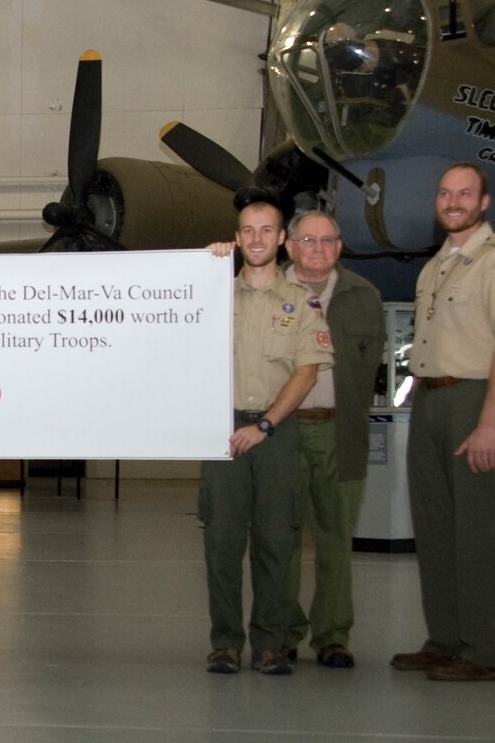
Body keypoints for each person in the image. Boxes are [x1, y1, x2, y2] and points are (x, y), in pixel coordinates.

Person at [392, 163, 495, 682]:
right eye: (445, 192)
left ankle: (488, 651)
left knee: (480, 532)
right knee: (435, 529)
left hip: (476, 401)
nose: (453, 201)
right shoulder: (436, 267)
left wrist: (489, 424)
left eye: (465, 193)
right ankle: (446, 639)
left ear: (484, 202)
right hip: (430, 402)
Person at [203, 190, 332, 676]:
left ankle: (271, 643)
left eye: (266, 230)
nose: (256, 239)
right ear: (237, 239)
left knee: (278, 541)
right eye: (247, 231)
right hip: (220, 432)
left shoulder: (302, 304)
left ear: (282, 239)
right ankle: (225, 643)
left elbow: (307, 372)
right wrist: (201, 265)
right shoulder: (210, 292)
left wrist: (264, 425)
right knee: (221, 543)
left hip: (274, 433)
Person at [279, 210, 387, 668]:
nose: (318, 249)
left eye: (327, 240)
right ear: (289, 245)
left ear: (339, 247)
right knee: (278, 537)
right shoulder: (264, 293)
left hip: (341, 432)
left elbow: (368, 368)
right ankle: (280, 632)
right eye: (308, 240)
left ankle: (333, 635)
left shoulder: (364, 297)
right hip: (281, 433)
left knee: (336, 537)